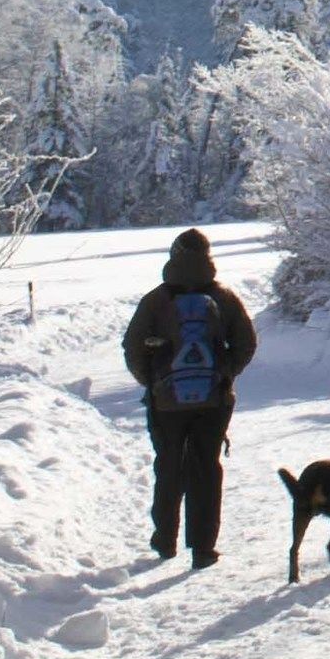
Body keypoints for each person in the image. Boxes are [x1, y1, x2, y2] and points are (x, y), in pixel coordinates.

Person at [120, 229, 260, 568]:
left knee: (169, 466)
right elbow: (246, 343)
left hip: (166, 401)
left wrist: (153, 382)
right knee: (206, 469)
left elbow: (132, 346)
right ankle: (203, 548)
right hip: (214, 401)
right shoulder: (224, 297)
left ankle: (165, 540)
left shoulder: (156, 300)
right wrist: (225, 374)